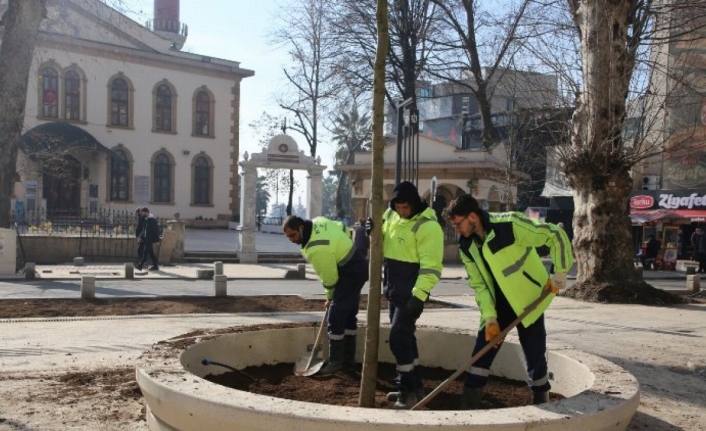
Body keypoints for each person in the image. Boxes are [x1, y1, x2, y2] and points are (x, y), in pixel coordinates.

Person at [443, 194, 574, 409]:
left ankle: (541, 397)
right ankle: (469, 401)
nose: (456, 229)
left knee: (534, 353)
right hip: (498, 306)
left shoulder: (510, 224)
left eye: (458, 223)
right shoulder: (467, 246)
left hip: (528, 301)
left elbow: (555, 235)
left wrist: (559, 272)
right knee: (482, 352)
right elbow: (480, 286)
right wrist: (490, 317)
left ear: (473, 216)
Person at [368, 181, 443, 409]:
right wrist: (371, 228)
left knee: (398, 338)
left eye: (406, 208)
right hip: (394, 288)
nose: (402, 211)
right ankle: (416, 386)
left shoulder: (428, 226)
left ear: (415, 204)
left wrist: (419, 296)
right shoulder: (391, 214)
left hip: (411, 292)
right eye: (398, 207)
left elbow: (431, 267)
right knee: (405, 337)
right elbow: (381, 231)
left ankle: (406, 390)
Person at [282, 215, 369, 375]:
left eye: (293, 235)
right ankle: (348, 360)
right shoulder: (318, 221)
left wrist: (330, 297)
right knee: (348, 313)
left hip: (349, 272)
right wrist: (342, 246)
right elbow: (342, 228)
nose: (291, 240)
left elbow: (329, 278)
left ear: (301, 228)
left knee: (335, 315)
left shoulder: (316, 248)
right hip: (357, 264)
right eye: (288, 237)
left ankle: (336, 362)